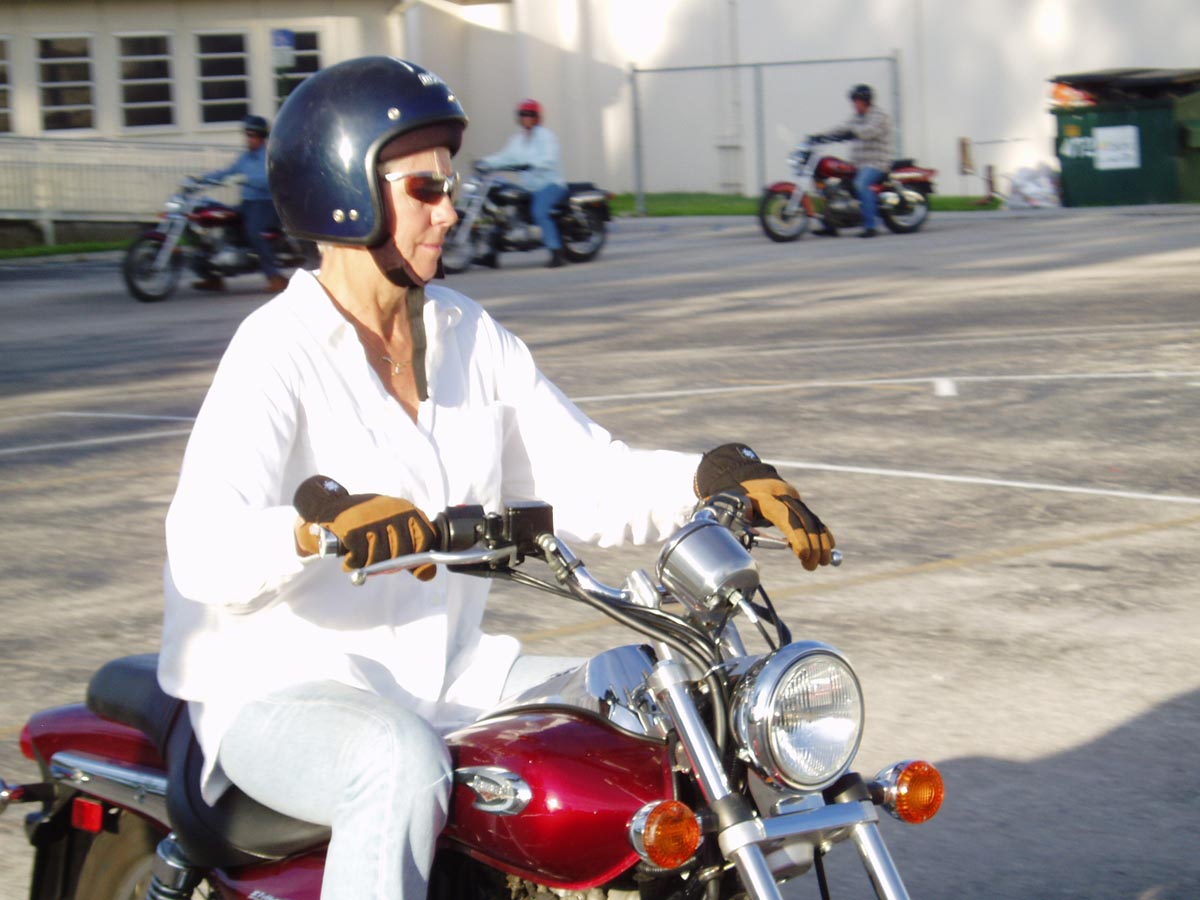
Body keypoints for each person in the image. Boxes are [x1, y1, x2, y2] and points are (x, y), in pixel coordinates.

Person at [158, 56, 835, 900]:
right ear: (344, 192)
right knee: (396, 760)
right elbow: (203, 550)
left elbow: (589, 478)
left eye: (450, 186)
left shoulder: (469, 336)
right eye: (425, 190)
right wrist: (315, 527)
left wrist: (712, 479)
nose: (450, 210)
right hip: (279, 691)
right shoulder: (277, 350)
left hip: (448, 678)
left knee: (645, 703)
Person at [193, 114, 289, 293]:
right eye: (247, 135)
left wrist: (247, 179)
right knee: (220, 224)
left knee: (253, 232)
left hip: (265, 203)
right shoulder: (245, 158)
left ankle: (275, 277)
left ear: (261, 136)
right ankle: (213, 277)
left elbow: (270, 179)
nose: (249, 139)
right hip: (247, 204)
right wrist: (201, 180)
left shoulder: (268, 155)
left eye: (253, 135)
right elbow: (227, 172)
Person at [478, 98, 569, 268]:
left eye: (530, 114)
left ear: (537, 117)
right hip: (528, 188)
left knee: (539, 212)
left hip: (549, 185)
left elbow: (549, 158)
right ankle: (491, 255)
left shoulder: (546, 136)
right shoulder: (517, 140)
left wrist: (532, 164)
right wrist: (485, 163)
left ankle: (557, 253)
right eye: (523, 114)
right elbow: (504, 157)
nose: (526, 118)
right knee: (503, 215)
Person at [813, 83, 893, 239]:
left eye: (857, 101)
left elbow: (868, 131)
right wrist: (820, 136)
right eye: (854, 101)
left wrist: (851, 133)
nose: (854, 104)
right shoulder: (856, 117)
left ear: (866, 101)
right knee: (833, 189)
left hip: (876, 163)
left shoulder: (879, 116)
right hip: (857, 164)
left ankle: (871, 226)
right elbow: (842, 127)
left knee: (861, 184)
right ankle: (831, 225)